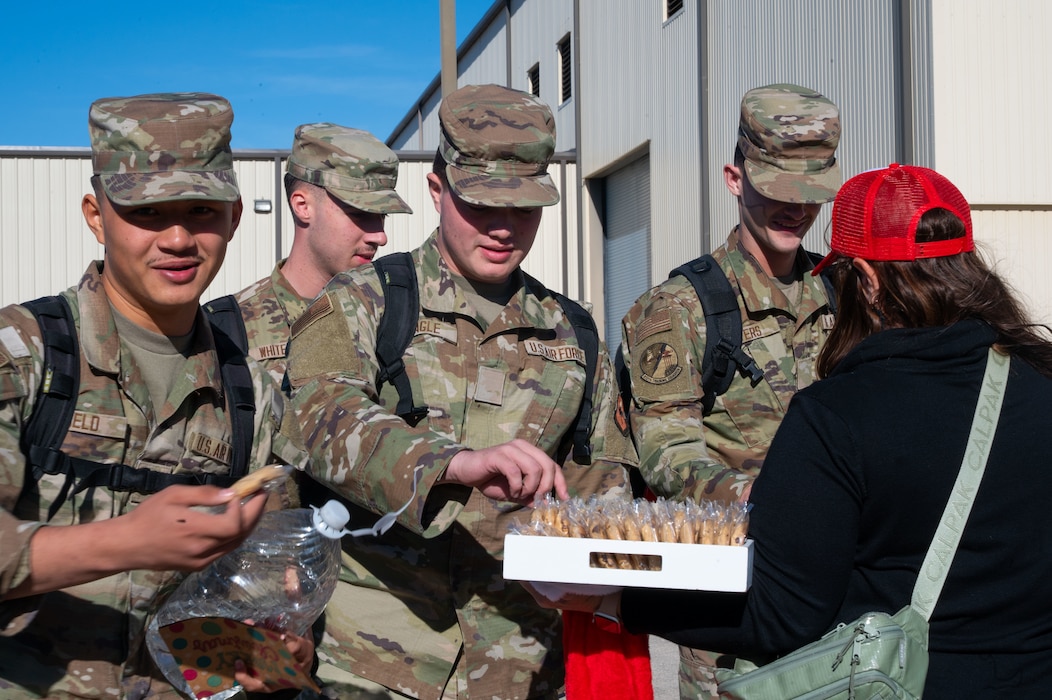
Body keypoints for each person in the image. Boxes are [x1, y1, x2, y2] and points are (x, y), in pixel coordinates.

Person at [532, 164, 1052, 698]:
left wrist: (612, 600)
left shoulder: (838, 414)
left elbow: (783, 613)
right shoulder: (1040, 381)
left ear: (867, 280)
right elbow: (669, 448)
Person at [283, 83, 634, 700]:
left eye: (523, 209)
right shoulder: (366, 300)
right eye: (480, 204)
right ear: (437, 190)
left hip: (522, 666)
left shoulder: (573, 330)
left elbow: (602, 477)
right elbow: (319, 416)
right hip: (380, 666)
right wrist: (452, 464)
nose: (502, 228)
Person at [0, 92, 308, 699]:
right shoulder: (26, 357)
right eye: (147, 212)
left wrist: (279, 648)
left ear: (234, 219)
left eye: (201, 210)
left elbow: (266, 579)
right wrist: (126, 541)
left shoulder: (250, 396)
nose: (178, 238)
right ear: (96, 216)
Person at [618, 82, 842, 697]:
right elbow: (668, 451)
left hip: (836, 603)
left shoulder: (845, 294)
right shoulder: (680, 309)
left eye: (810, 193)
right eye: (777, 191)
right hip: (736, 612)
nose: (796, 209)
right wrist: (770, 502)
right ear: (734, 179)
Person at [215, 122, 411, 387]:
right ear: (303, 206)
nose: (380, 237)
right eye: (360, 214)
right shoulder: (226, 331)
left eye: (382, 216)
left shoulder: (400, 319)